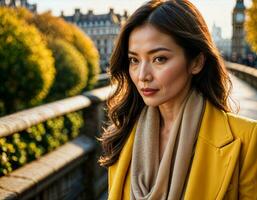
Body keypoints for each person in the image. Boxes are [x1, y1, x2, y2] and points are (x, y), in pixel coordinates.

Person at [98, 0, 257, 199]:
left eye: (159, 59)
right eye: (134, 60)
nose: (142, 75)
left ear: (196, 62)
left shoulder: (247, 139)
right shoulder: (121, 134)